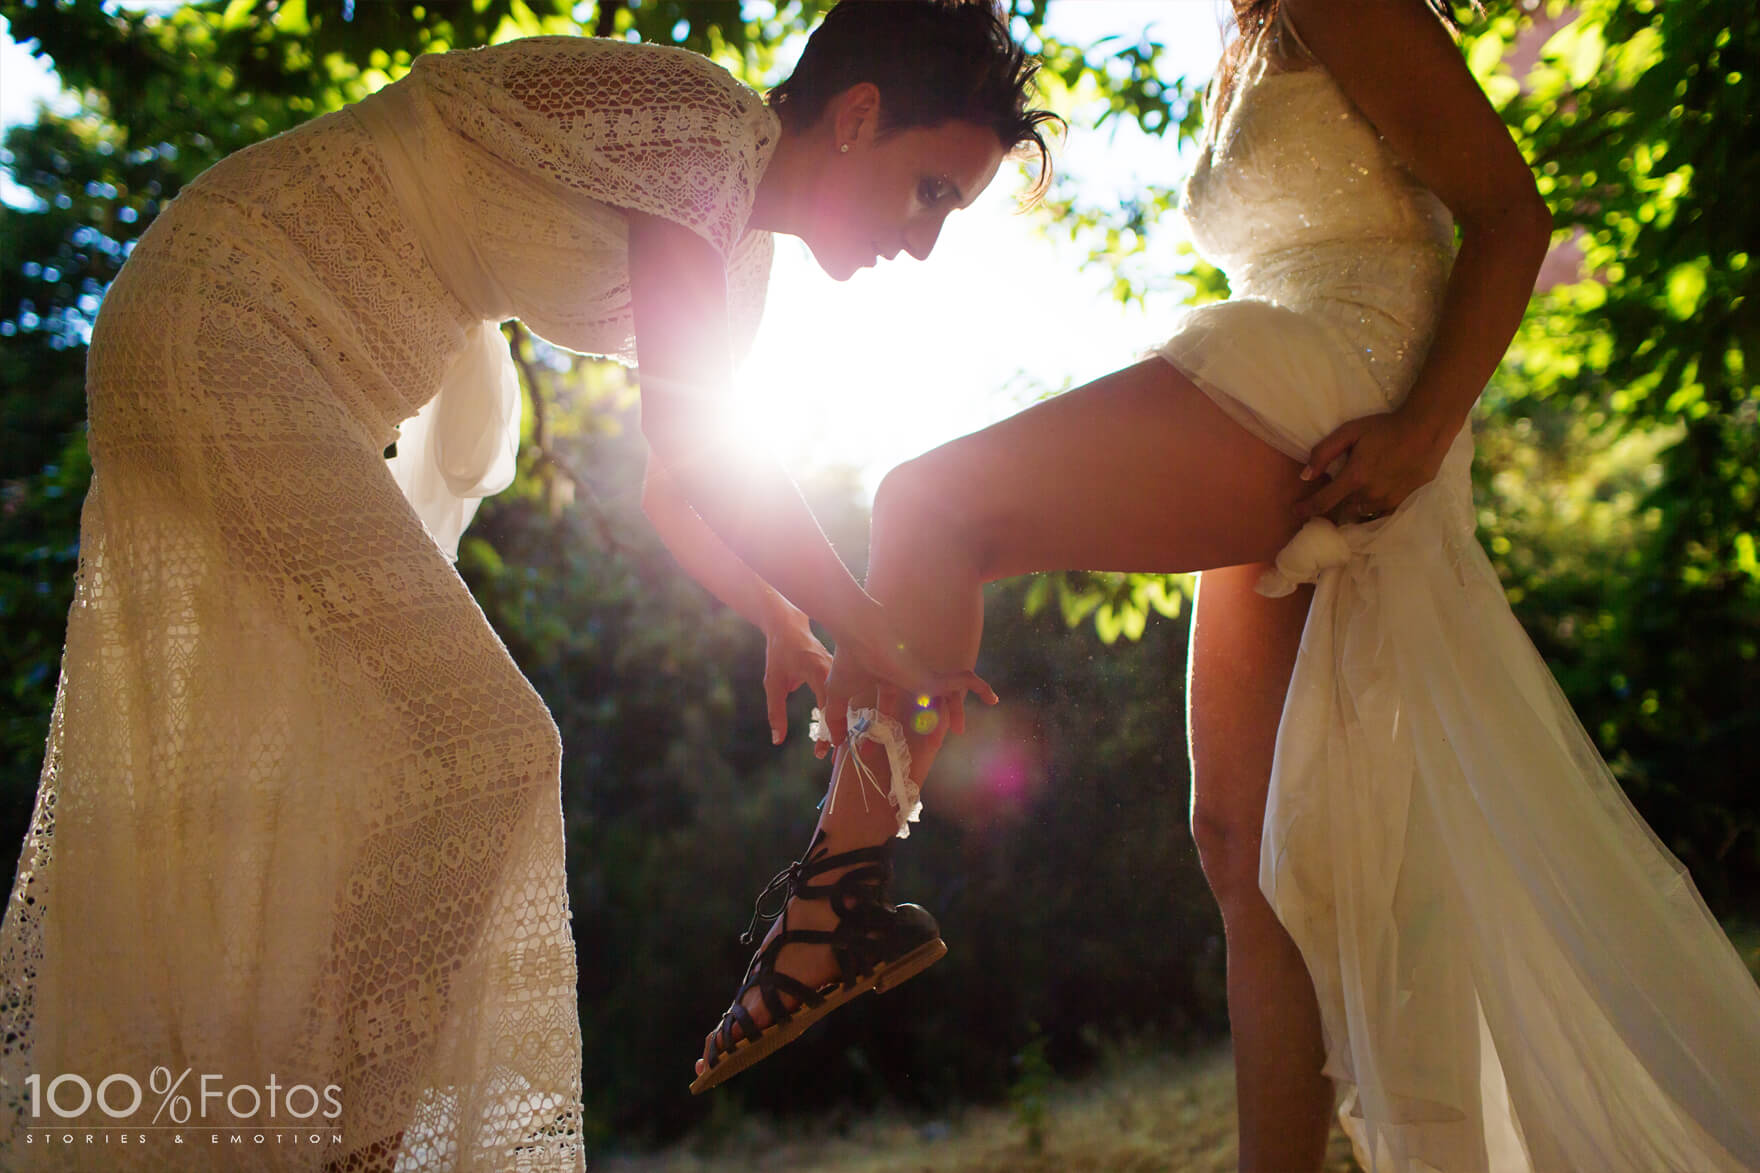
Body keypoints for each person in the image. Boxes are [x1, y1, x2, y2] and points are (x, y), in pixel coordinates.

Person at [690, 2, 1760, 1170]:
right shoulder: (1239, 37)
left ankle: (831, 903)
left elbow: (1510, 214)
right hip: (1295, 380)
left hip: (1337, 378)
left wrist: (1416, 433)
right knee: (1241, 847)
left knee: (925, 506)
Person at [0, 2, 1052, 1169]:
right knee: (488, 748)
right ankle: (351, 1146)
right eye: (932, 194)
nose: (925, 243)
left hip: (322, 389)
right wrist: (866, 624)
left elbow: (669, 486)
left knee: (376, 773)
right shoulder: (701, 130)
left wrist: (776, 614)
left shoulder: (736, 266)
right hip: (230, 318)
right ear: (857, 118)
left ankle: (305, 1132)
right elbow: (702, 452)